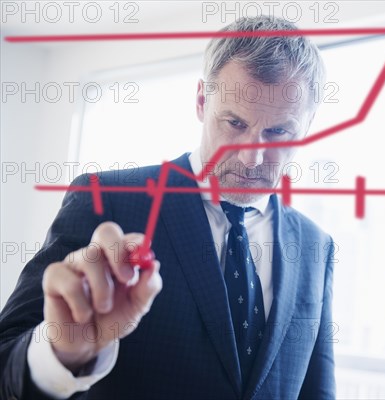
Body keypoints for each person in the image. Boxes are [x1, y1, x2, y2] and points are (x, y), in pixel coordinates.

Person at [0, 16, 336, 399]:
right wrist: (61, 354)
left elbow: (317, 390)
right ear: (201, 102)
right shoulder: (106, 199)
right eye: (235, 122)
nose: (251, 157)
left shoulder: (316, 245)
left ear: (308, 126)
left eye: (278, 132)